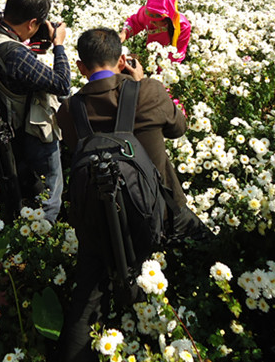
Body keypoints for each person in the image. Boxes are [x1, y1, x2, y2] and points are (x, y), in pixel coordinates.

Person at [56, 28, 209, 362]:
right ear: (123, 60)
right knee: (207, 248)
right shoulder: (149, 92)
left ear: (81, 67)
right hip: (160, 213)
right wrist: (140, 82)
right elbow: (178, 128)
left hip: (97, 219)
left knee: (86, 297)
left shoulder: (68, 110)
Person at [0, 0, 69, 222]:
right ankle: (44, 230)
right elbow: (62, 84)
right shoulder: (14, 53)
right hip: (27, 126)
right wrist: (58, 45)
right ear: (31, 23)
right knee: (52, 182)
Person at [119, 0, 191, 62]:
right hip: (150, 54)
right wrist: (124, 33)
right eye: (149, 19)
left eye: (154, 21)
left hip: (164, 63)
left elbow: (176, 56)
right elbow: (135, 22)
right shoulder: (148, 13)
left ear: (166, 20)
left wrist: (145, 60)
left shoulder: (182, 27)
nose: (150, 22)